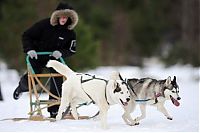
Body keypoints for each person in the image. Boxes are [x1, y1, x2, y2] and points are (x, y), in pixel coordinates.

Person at [13, 2, 78, 118]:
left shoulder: (70, 33)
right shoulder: (44, 25)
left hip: (54, 59)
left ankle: (54, 109)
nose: (63, 19)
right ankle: (20, 88)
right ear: (57, 16)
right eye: (61, 16)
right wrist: (29, 49)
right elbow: (26, 35)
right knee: (34, 79)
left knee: (58, 78)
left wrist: (61, 53)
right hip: (37, 56)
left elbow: (72, 50)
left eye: (66, 17)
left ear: (70, 18)